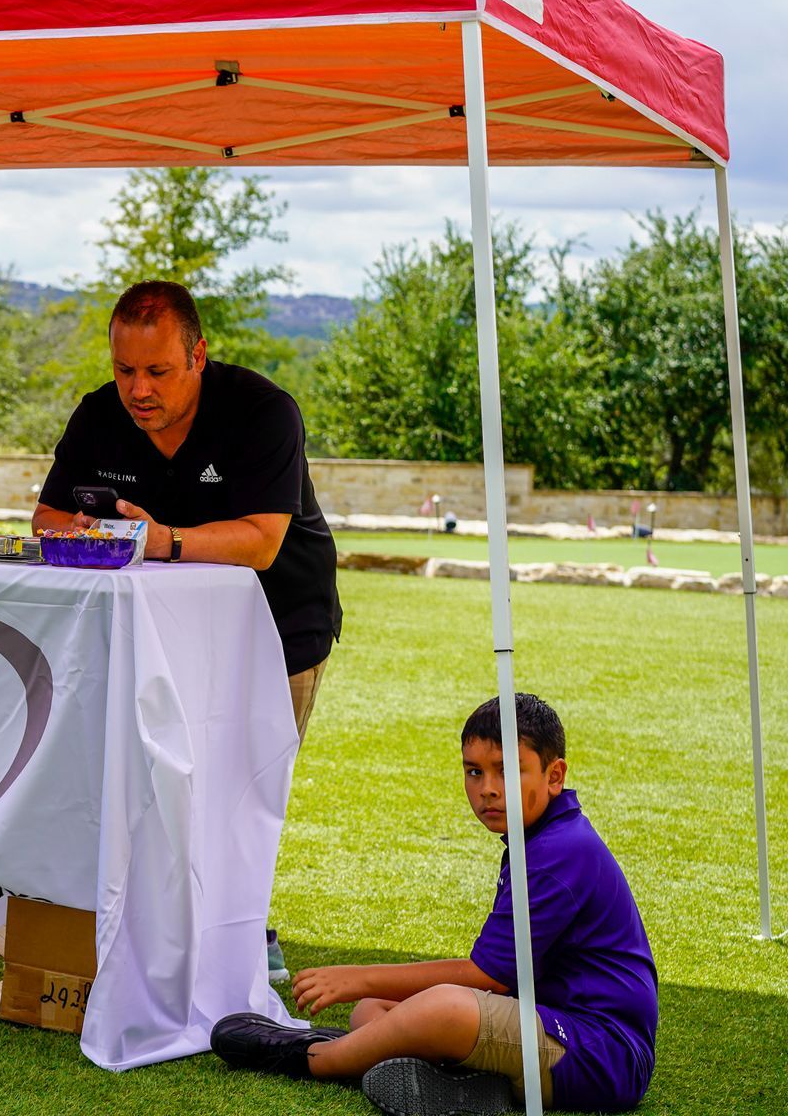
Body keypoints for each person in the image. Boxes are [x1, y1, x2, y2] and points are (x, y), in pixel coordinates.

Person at [33, 279, 340, 978]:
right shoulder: (97, 414)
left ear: (198, 356)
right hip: (152, 633)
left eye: (158, 371)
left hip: (277, 628)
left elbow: (262, 542)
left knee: (240, 788)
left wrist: (160, 540)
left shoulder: (264, 412)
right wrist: (82, 529)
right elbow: (46, 519)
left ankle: (243, 934)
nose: (137, 390)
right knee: (147, 780)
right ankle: (141, 926)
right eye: (124, 370)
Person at [210, 694, 659, 1115]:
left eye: (507, 770)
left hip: (602, 1051)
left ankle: (314, 1057)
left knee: (441, 1007)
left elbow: (487, 976)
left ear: (554, 776)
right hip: (549, 1023)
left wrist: (355, 976)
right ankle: (472, 1086)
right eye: (474, 772)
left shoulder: (561, 851)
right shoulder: (540, 837)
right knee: (372, 1009)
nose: (488, 789)